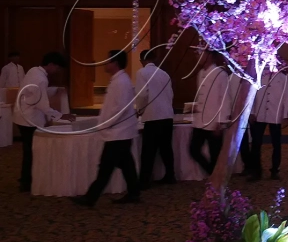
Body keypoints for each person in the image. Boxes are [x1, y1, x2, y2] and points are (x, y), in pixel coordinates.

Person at [72, 50, 141, 206]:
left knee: (106, 167)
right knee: (126, 164)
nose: (105, 63)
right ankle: (134, 193)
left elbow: (120, 109)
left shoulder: (121, 82)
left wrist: (106, 124)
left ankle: (90, 198)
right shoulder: (119, 80)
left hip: (118, 132)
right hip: (120, 131)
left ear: (115, 63)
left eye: (108, 61)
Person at [13, 51, 75, 192]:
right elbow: (42, 105)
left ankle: (25, 179)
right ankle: (27, 181)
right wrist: (60, 116)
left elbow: (36, 93)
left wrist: (55, 91)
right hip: (29, 119)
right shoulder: (41, 79)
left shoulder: (33, 71)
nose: (57, 71)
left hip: (21, 115)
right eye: (57, 67)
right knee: (31, 151)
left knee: (28, 150)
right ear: (51, 64)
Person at [135, 48, 176, 188]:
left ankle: (144, 180)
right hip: (167, 115)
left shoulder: (142, 73)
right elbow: (171, 94)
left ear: (142, 60)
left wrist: (140, 110)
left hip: (152, 115)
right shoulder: (164, 74)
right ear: (154, 59)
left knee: (148, 151)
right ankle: (170, 175)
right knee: (166, 148)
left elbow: (142, 95)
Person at [189, 50, 230, 175]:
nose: (198, 56)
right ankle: (212, 173)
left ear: (210, 56)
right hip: (200, 120)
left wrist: (221, 121)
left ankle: (216, 179)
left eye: (201, 54)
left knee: (215, 153)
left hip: (214, 121)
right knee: (193, 149)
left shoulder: (220, 74)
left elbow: (225, 98)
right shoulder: (200, 73)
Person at [249, 67, 288, 181]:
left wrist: (286, 116)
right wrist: (251, 111)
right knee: (256, 143)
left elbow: (286, 98)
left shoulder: (283, 78)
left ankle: (275, 170)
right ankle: (256, 171)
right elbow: (252, 94)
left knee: (276, 144)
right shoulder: (259, 76)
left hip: (275, 114)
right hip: (259, 113)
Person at [227, 71, 255, 176]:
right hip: (237, 113)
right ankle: (247, 165)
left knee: (255, 141)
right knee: (242, 140)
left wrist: (252, 112)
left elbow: (254, 95)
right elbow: (229, 97)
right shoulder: (230, 77)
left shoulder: (250, 76)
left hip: (250, 112)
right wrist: (230, 113)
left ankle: (254, 167)